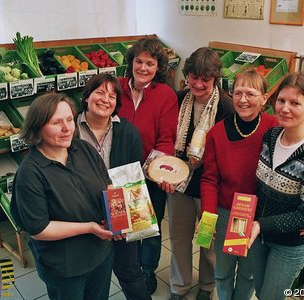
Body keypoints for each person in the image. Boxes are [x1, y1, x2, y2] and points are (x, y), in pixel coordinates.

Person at [10, 93, 114, 300]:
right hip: (66, 267)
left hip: (101, 255)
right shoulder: (30, 173)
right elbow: (39, 229)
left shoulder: (83, 149)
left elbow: (107, 184)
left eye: (69, 119)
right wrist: (89, 227)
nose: (67, 128)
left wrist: (118, 213)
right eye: (56, 122)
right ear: (38, 127)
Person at [248, 73, 304, 300]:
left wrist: (260, 224)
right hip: (258, 237)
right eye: (281, 101)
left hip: (288, 245)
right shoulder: (271, 136)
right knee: (259, 291)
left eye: (295, 103)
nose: (285, 108)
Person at [200, 68, 279, 300]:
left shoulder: (275, 129)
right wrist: (208, 215)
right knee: (223, 272)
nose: (243, 100)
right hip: (226, 212)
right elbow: (210, 179)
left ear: (264, 98)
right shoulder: (216, 133)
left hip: (257, 215)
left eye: (251, 94)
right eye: (237, 93)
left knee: (249, 273)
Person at [163, 47, 233, 300]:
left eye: (206, 79)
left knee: (207, 241)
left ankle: (206, 286)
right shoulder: (180, 98)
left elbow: (229, 152)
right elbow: (169, 137)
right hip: (180, 183)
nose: (199, 84)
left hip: (210, 188)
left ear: (216, 79)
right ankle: (179, 286)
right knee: (179, 238)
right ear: (187, 75)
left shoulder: (226, 107)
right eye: (194, 77)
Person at [77, 73, 151, 300]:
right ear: (87, 97)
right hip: (83, 218)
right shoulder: (70, 131)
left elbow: (133, 181)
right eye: (99, 92)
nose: (105, 99)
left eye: (111, 95)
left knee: (130, 273)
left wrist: (119, 219)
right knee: (90, 280)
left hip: (121, 215)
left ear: (117, 103)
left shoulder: (127, 132)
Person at [118, 37, 179, 294]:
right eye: (139, 61)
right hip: (119, 173)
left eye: (150, 63)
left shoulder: (165, 95)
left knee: (150, 227)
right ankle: (128, 268)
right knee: (124, 225)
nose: (143, 68)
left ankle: (147, 270)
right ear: (131, 62)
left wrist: (157, 170)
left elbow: (166, 138)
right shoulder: (116, 87)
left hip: (149, 173)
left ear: (158, 67)